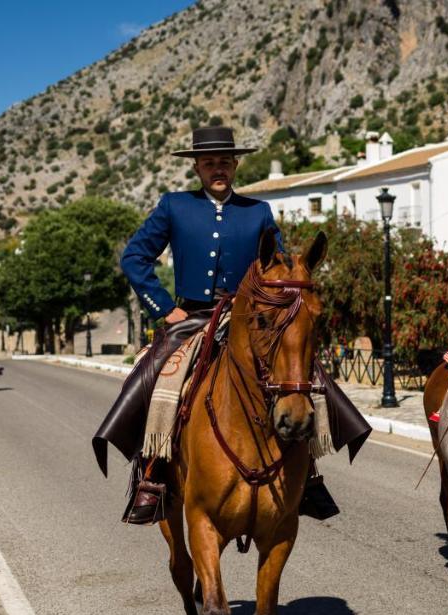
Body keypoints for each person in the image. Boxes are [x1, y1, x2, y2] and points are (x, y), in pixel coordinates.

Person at [91, 125, 358, 525]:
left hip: (248, 317)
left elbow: (280, 267)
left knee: (302, 376)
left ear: (235, 166)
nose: (218, 169)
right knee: (156, 374)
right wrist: (163, 308)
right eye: (209, 162)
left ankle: (311, 475)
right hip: (191, 316)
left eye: (224, 162)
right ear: (197, 167)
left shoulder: (258, 212)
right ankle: (153, 475)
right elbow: (134, 259)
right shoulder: (174, 206)